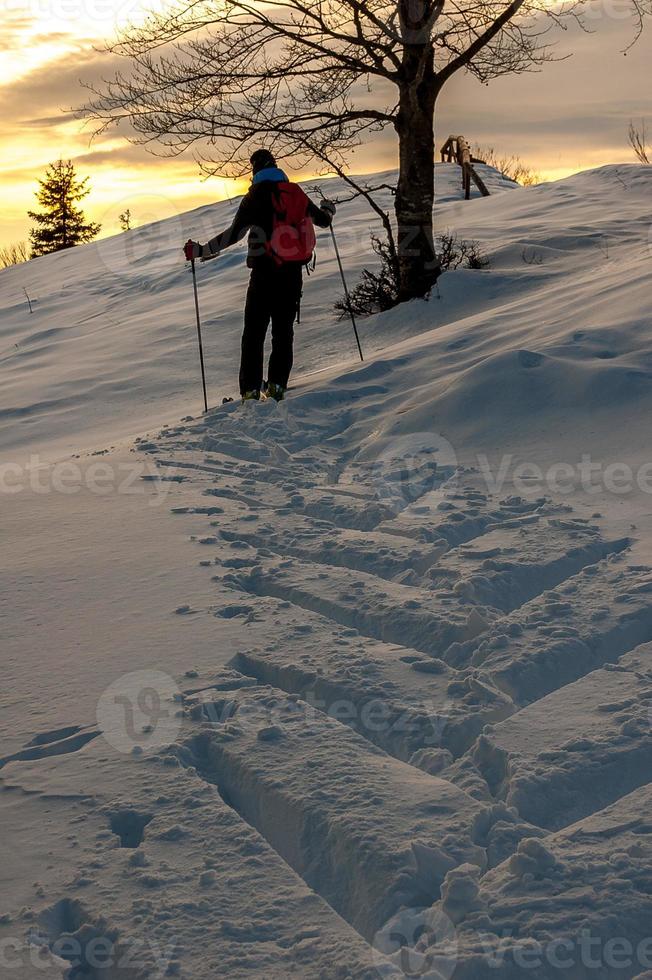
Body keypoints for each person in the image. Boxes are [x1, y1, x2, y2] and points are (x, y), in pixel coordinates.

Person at [184, 149, 336, 402]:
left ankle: (251, 390)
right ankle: (277, 386)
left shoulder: (255, 196)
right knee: (283, 331)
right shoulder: (295, 193)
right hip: (292, 274)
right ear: (276, 166)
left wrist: (201, 250)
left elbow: (234, 234)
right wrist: (328, 210)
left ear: (254, 171)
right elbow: (322, 221)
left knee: (254, 332)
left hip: (264, 274)